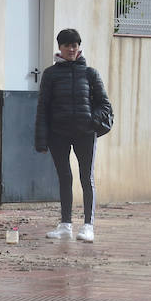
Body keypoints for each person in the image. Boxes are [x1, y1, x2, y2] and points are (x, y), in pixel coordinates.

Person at [34, 28, 111, 243]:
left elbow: (104, 105)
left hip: (85, 134)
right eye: (67, 45)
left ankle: (88, 226)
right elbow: (43, 108)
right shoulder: (50, 74)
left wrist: (91, 120)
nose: (71, 49)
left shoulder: (90, 74)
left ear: (79, 47)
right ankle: (65, 224)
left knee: (86, 177)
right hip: (58, 134)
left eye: (74, 45)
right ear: (59, 47)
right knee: (64, 177)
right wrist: (41, 138)